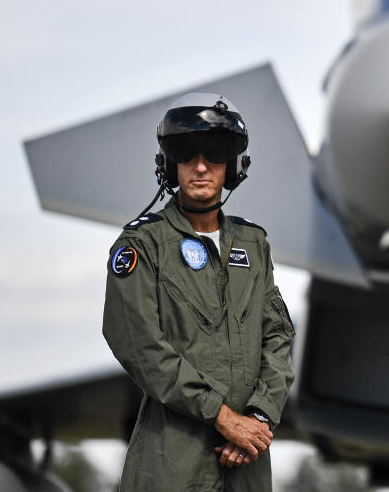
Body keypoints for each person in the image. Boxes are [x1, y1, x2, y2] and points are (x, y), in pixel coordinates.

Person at [103, 93, 295, 491]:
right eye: (188, 156)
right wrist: (226, 419)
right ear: (171, 166)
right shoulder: (141, 245)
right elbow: (140, 345)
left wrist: (258, 419)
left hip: (247, 462)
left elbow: (277, 337)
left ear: (233, 167)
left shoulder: (253, 244)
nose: (202, 167)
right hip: (173, 460)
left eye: (215, 155)